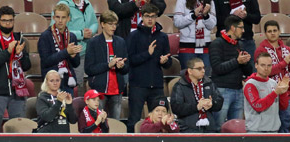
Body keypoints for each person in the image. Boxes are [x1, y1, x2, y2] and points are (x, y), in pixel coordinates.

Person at [0, 5, 30, 131]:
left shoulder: (20, 39)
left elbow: (27, 66)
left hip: (17, 89)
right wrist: (8, 52)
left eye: (10, 20)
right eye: (4, 21)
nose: (8, 24)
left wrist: (20, 54)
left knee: (18, 128)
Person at [126, 3, 172, 133]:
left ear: (157, 17)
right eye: (147, 16)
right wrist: (147, 54)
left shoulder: (163, 37)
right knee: (134, 119)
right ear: (142, 17)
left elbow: (168, 64)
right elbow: (130, 60)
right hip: (138, 85)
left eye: (153, 16)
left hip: (156, 86)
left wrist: (165, 61)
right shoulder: (133, 36)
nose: (150, 19)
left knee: (158, 119)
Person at [254, 20, 290, 134]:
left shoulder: (287, 49)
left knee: (285, 124)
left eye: (275, 30)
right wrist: (285, 62)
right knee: (269, 126)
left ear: (279, 32)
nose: (273, 33)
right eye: (269, 31)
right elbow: (266, 72)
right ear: (265, 33)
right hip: (269, 94)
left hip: (286, 94)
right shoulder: (261, 50)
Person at [209, 14, 252, 127]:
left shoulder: (240, 44)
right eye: (241, 28)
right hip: (222, 91)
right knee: (218, 127)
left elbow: (248, 72)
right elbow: (217, 68)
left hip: (238, 90)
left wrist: (246, 62)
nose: (243, 30)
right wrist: (237, 61)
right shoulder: (216, 44)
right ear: (233, 28)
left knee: (237, 128)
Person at [85, 10, 128, 120]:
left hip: (117, 90)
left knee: (115, 123)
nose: (113, 27)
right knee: (98, 122)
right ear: (102, 24)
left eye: (115, 24)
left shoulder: (121, 42)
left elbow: (127, 68)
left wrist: (122, 66)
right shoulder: (93, 43)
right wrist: (108, 65)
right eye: (110, 24)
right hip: (99, 91)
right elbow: (89, 69)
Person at [52, 0, 98, 94]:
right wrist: (81, 34)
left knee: (86, 84)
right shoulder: (63, 5)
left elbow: (94, 22)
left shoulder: (87, 4)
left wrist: (91, 31)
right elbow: (55, 28)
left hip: (86, 50)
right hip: (69, 52)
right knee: (75, 85)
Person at [170, 57, 223, 133]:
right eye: (199, 69)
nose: (203, 71)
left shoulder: (209, 83)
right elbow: (176, 108)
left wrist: (212, 104)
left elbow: (219, 102)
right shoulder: (180, 85)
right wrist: (197, 106)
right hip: (188, 128)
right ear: (190, 71)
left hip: (209, 128)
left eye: (203, 68)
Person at [39, 3, 81, 95]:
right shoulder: (45, 36)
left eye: (63, 17)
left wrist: (73, 56)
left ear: (68, 19)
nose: (60, 20)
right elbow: (46, 61)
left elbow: (76, 64)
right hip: (51, 83)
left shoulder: (72, 37)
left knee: (67, 109)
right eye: (58, 17)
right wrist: (66, 52)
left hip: (67, 82)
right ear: (53, 18)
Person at [243, 52, 290, 133]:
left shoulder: (273, 83)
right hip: (256, 131)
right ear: (256, 65)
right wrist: (275, 93)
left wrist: (283, 92)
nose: (266, 68)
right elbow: (258, 106)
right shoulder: (250, 84)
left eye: (269, 65)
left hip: (274, 130)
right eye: (263, 65)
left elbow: (283, 107)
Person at [174, 0, 215, 76]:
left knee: (206, 78)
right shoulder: (182, 1)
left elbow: (212, 25)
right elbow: (177, 22)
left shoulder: (210, 1)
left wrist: (206, 16)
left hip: (205, 47)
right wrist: (193, 15)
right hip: (187, 46)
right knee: (188, 78)